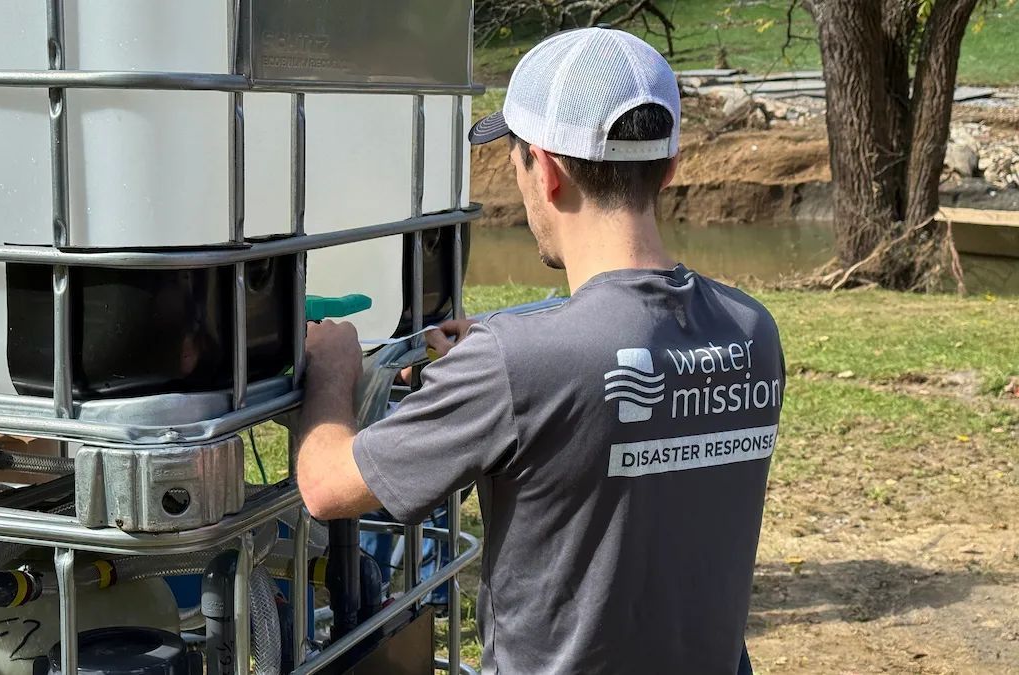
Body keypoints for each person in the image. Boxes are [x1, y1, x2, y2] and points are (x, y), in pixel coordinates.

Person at [297, 27, 782, 675]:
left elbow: (327, 487)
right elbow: (618, 357)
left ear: (546, 171)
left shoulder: (517, 364)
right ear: (668, 168)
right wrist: (501, 349)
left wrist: (332, 370)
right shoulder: (751, 330)